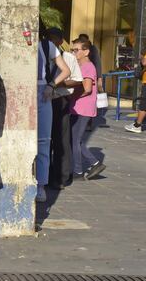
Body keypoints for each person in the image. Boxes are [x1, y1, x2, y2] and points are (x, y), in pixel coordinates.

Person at [45, 28, 85, 189]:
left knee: (61, 139)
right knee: (44, 140)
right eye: (48, 39)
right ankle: (45, 175)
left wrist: (59, 82)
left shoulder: (68, 58)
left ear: (61, 41)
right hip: (43, 100)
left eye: (54, 39)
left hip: (59, 99)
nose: (51, 42)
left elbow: (78, 80)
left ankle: (62, 176)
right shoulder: (42, 56)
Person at [36, 31, 70, 202]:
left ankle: (40, 184)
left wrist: (51, 85)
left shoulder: (45, 45)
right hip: (20, 93)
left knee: (43, 141)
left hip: (42, 93)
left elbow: (66, 70)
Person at [69, 39, 106, 180]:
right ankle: (94, 163)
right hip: (76, 107)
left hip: (83, 108)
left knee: (75, 140)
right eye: (72, 50)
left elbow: (87, 89)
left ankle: (78, 171)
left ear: (86, 51)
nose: (74, 52)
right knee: (75, 139)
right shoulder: (79, 65)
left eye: (76, 50)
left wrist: (70, 96)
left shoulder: (88, 67)